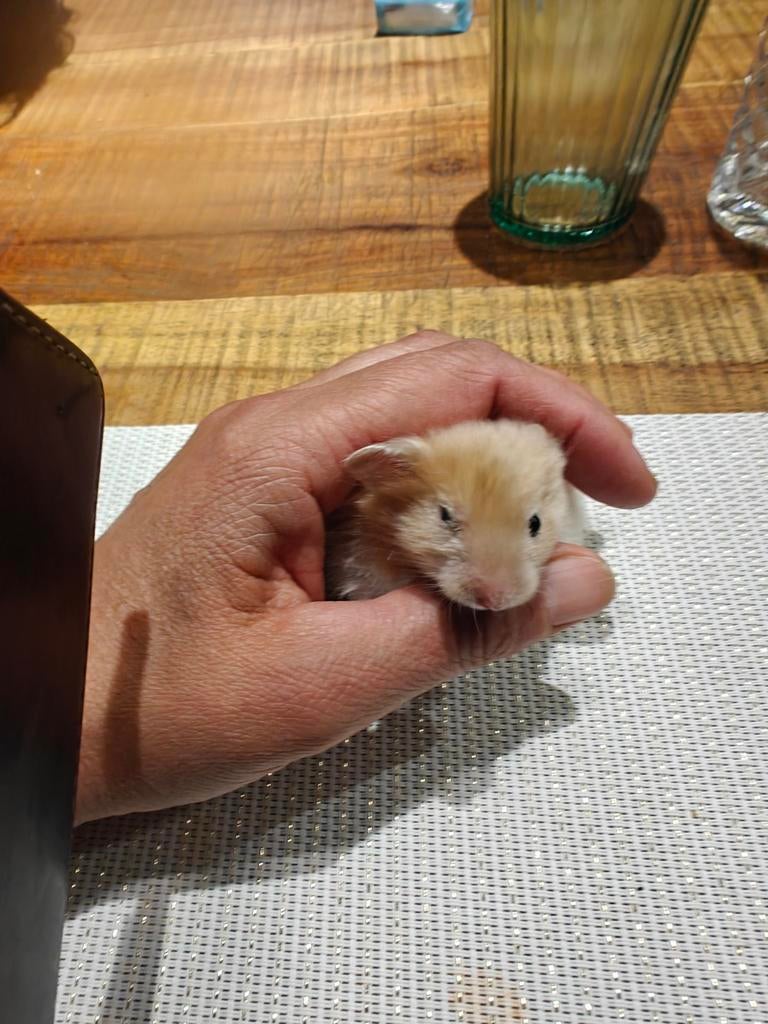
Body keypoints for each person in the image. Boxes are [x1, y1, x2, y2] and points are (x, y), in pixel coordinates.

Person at [76, 331, 656, 823]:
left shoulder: (549, 480)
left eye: (532, 526)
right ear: (389, 470)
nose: (492, 589)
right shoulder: (374, 505)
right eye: (448, 521)